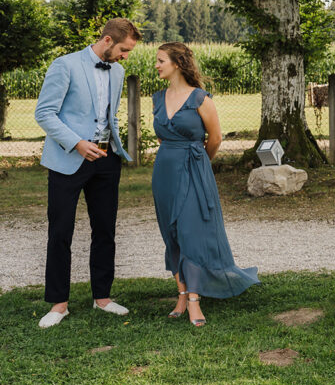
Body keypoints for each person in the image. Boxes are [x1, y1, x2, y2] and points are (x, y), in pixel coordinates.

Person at [34, 18, 140, 328]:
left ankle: (102, 298)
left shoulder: (118, 71)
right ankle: (59, 304)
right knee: (61, 231)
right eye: (124, 49)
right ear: (107, 41)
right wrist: (76, 143)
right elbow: (44, 112)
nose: (125, 56)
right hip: (69, 158)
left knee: (105, 229)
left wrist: (118, 149)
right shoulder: (64, 65)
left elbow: (112, 116)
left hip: (106, 160)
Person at [151, 43, 259, 327]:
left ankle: (195, 300)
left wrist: (199, 163)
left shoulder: (200, 99)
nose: (157, 65)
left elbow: (215, 139)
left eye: (161, 61)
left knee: (191, 232)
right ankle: (182, 294)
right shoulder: (157, 98)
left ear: (176, 63)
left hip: (195, 168)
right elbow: (163, 138)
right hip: (164, 172)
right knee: (171, 232)